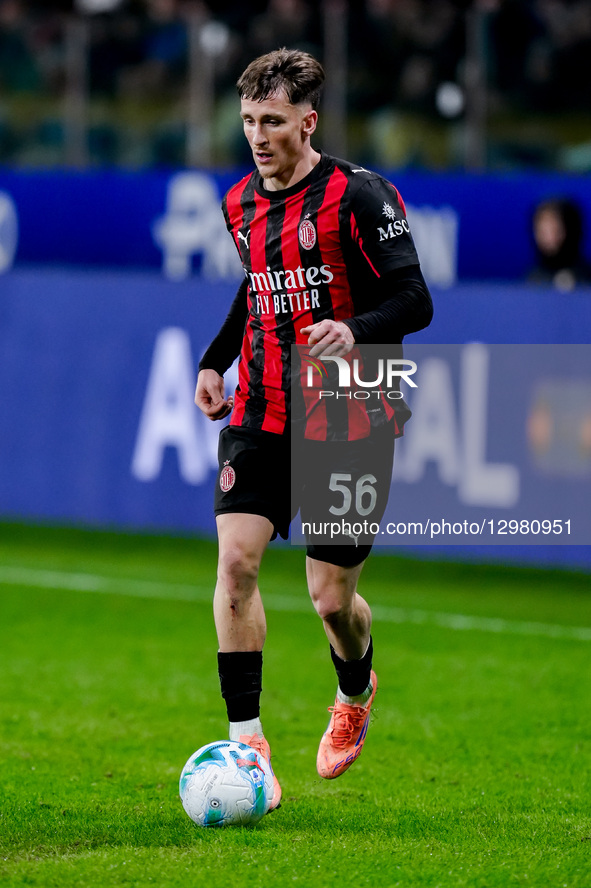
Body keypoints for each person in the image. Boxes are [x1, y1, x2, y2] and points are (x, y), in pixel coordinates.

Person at [194, 47, 433, 810]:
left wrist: (352, 329)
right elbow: (255, 289)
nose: (257, 136)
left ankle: (355, 688)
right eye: (247, 121)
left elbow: (414, 300)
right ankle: (247, 740)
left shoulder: (360, 197)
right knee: (235, 564)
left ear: (308, 120)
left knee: (331, 600)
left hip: (350, 404)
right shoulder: (238, 203)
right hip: (262, 406)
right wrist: (215, 360)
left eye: (272, 121)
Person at [529, 197, 591, 292]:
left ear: (571, 229)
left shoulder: (585, 278)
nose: (549, 238)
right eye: (543, 231)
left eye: (556, 229)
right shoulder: (533, 280)